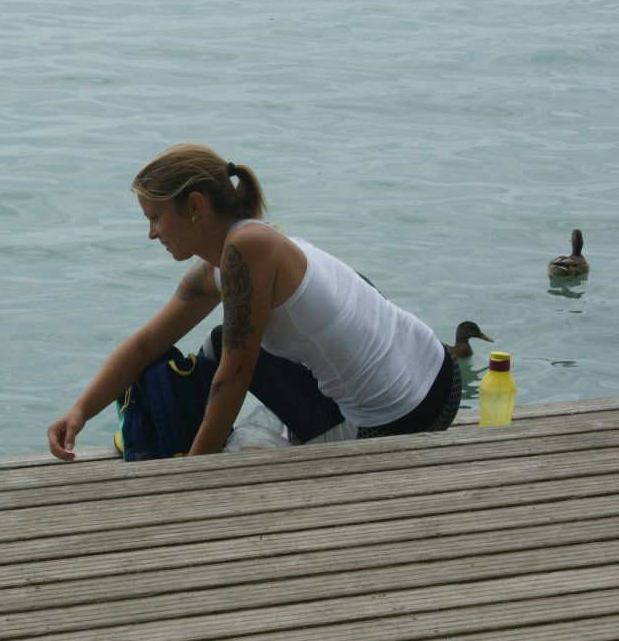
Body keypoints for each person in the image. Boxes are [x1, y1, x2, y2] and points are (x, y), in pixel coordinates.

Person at [47, 143, 462, 461]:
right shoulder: (252, 244)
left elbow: (238, 371)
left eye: (154, 217)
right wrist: (80, 411)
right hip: (439, 376)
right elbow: (145, 344)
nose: (152, 233)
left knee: (228, 360)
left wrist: (192, 471)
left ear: (194, 206)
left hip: (396, 425)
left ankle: (184, 447)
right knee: (221, 341)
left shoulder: (246, 249)